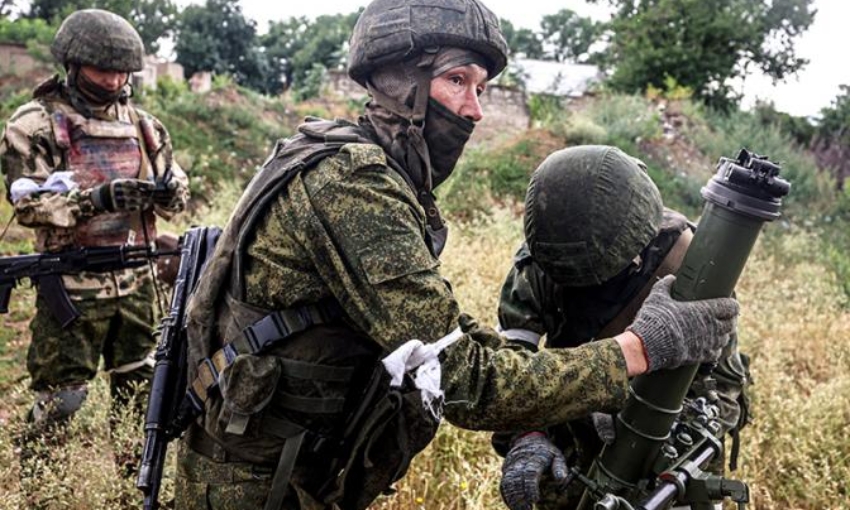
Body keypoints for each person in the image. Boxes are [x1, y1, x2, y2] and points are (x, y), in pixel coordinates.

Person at [174, 1, 738, 509]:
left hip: (293, 472)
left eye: (482, 88)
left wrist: (534, 431)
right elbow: (462, 380)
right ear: (400, 84)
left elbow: (447, 337)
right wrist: (639, 350)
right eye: (457, 81)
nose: (474, 110)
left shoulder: (344, 163)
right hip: (259, 485)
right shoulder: (352, 185)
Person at [495, 145, 751, 510]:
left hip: (666, 454)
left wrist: (660, 438)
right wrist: (527, 436)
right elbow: (509, 367)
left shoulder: (691, 269)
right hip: (571, 442)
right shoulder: (540, 264)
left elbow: (724, 389)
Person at [0, 9, 189, 452]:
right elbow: (27, 205)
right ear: (73, 64)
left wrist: (164, 193)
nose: (112, 80)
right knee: (61, 401)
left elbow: (177, 188)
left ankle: (133, 488)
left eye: (120, 71)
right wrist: (96, 200)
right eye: (103, 69)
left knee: (142, 398)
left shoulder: (144, 127)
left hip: (137, 282)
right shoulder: (35, 123)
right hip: (71, 283)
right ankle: (39, 486)